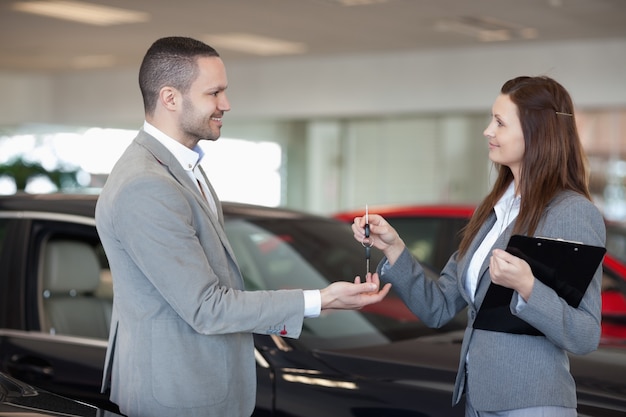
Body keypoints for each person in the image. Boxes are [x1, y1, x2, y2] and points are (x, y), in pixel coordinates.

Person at [95, 36, 391, 417]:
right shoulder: (147, 185)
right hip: (178, 397)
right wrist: (321, 299)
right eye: (214, 93)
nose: (226, 105)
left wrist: (321, 304)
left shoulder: (181, 169)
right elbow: (207, 306)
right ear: (170, 98)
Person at [352, 76, 605, 416]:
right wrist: (394, 247)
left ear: (537, 132)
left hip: (532, 403)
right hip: (478, 400)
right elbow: (437, 307)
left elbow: (584, 334)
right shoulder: (493, 211)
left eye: (499, 122)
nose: (487, 131)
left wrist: (527, 286)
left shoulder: (571, 213)